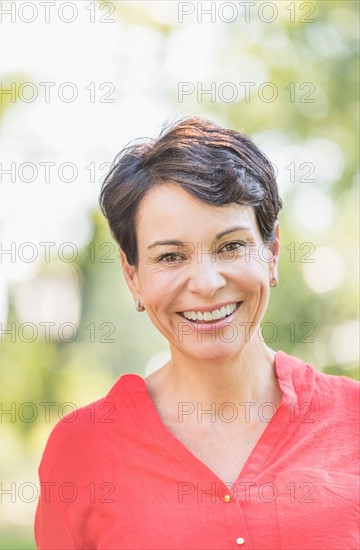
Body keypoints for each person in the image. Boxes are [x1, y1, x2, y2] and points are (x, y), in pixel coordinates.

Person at [35, 117, 359, 549]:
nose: (206, 283)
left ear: (272, 253)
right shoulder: (82, 452)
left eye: (230, 246)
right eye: (170, 256)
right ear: (133, 277)